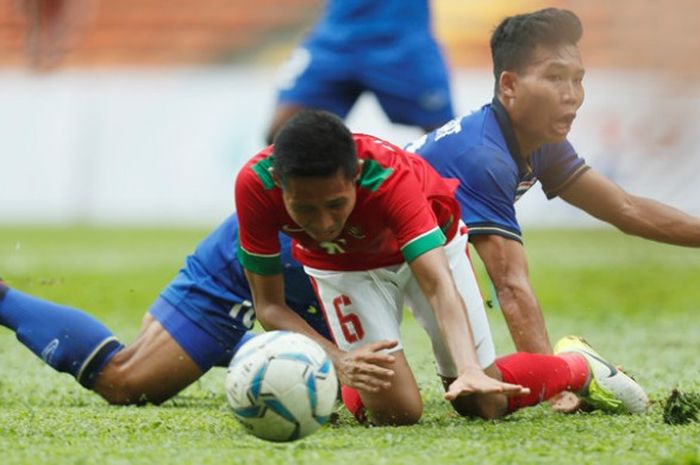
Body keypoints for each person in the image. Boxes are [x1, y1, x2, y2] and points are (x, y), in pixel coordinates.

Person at [235, 109, 648, 425]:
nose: (323, 223)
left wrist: (469, 370)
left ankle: (577, 367)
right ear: (278, 182)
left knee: (482, 403)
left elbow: (437, 283)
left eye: (336, 204)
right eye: (303, 208)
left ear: (356, 175)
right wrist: (338, 360)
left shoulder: (390, 176)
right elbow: (270, 307)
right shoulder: (254, 185)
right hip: (343, 269)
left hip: (434, 252)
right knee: (394, 416)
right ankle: (362, 384)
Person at [408, 7, 700, 362]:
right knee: (479, 401)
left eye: (578, 79)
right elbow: (510, 286)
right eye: (555, 77)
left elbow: (626, 209)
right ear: (509, 85)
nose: (571, 95)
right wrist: (555, 383)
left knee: (473, 397)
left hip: (410, 249)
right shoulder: (486, 157)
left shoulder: (539, 140)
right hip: (361, 250)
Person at [0, 214, 331, 405]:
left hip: (354, 261)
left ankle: (233, 345)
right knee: (126, 379)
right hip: (263, 249)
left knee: (359, 388)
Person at [265, 0, 454, 144]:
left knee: (446, 138)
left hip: (401, 38)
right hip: (335, 36)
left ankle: (445, 194)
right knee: (280, 135)